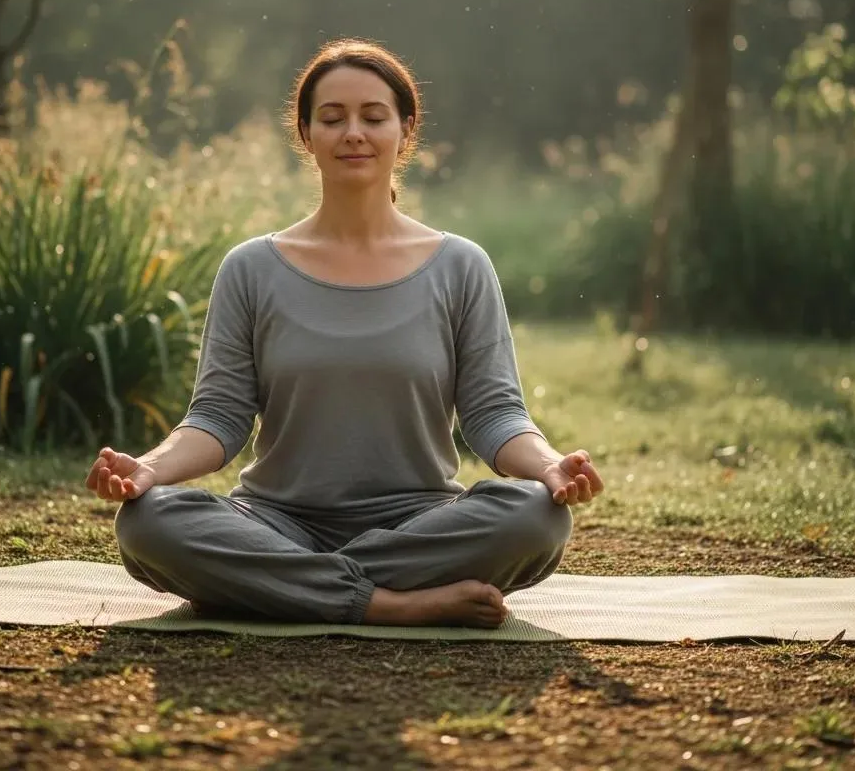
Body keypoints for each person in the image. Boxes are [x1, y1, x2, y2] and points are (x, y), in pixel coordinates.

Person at [85, 38, 604, 628]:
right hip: (274, 520)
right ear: (306, 135)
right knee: (149, 523)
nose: (352, 132)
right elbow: (219, 417)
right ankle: (392, 604)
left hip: (420, 524)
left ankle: (276, 583)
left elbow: (494, 413)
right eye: (332, 119)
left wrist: (550, 465)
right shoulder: (251, 267)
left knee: (536, 517)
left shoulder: (462, 266)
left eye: (373, 117)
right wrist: (148, 468)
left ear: (405, 131)